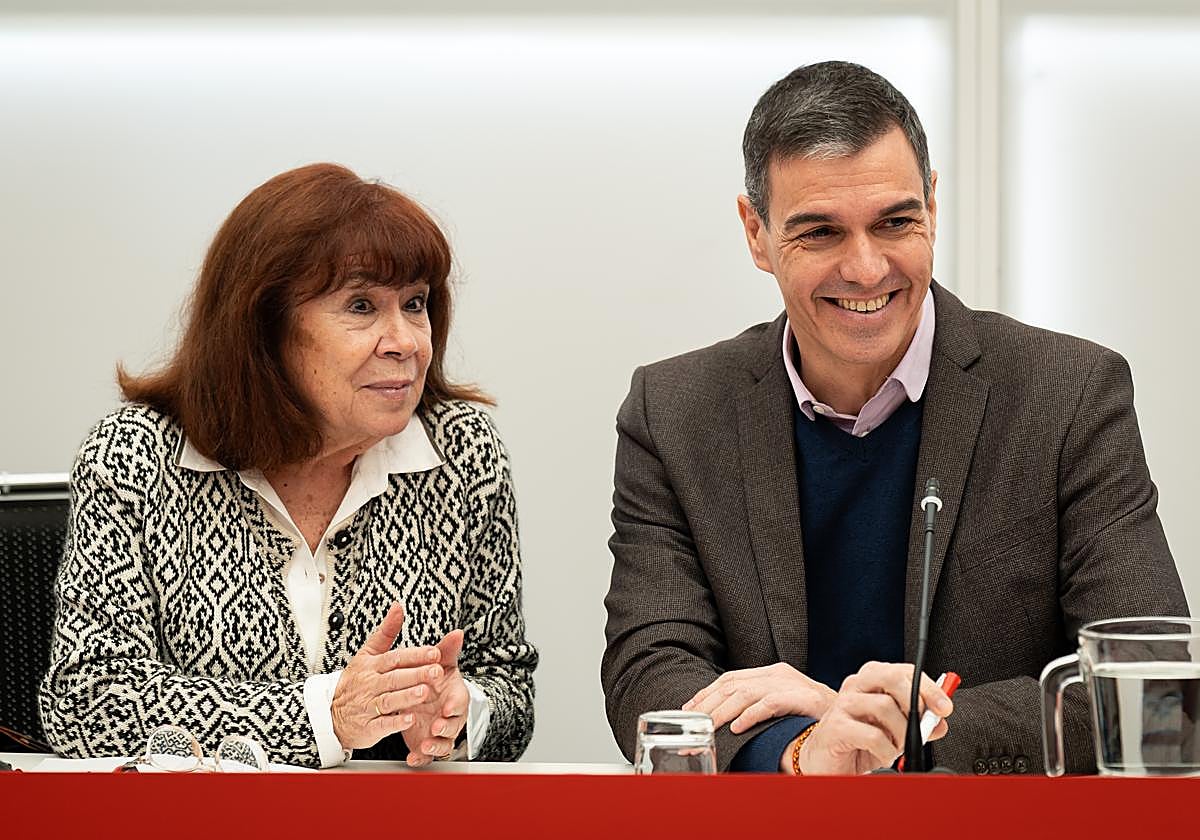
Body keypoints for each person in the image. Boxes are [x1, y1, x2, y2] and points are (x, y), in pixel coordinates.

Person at [601, 61, 1187, 775]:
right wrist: (802, 749)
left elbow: (1154, 693)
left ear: (933, 208)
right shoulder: (675, 412)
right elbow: (650, 672)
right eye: (819, 233)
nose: (867, 267)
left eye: (896, 222)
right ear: (756, 233)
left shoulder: (1068, 395)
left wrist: (903, 728)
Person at [40, 163, 537, 768]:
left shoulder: (461, 452)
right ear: (263, 326)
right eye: (361, 305)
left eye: (415, 304)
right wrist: (325, 714)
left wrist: (462, 713)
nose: (405, 340)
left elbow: (509, 690)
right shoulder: (139, 455)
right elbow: (87, 700)